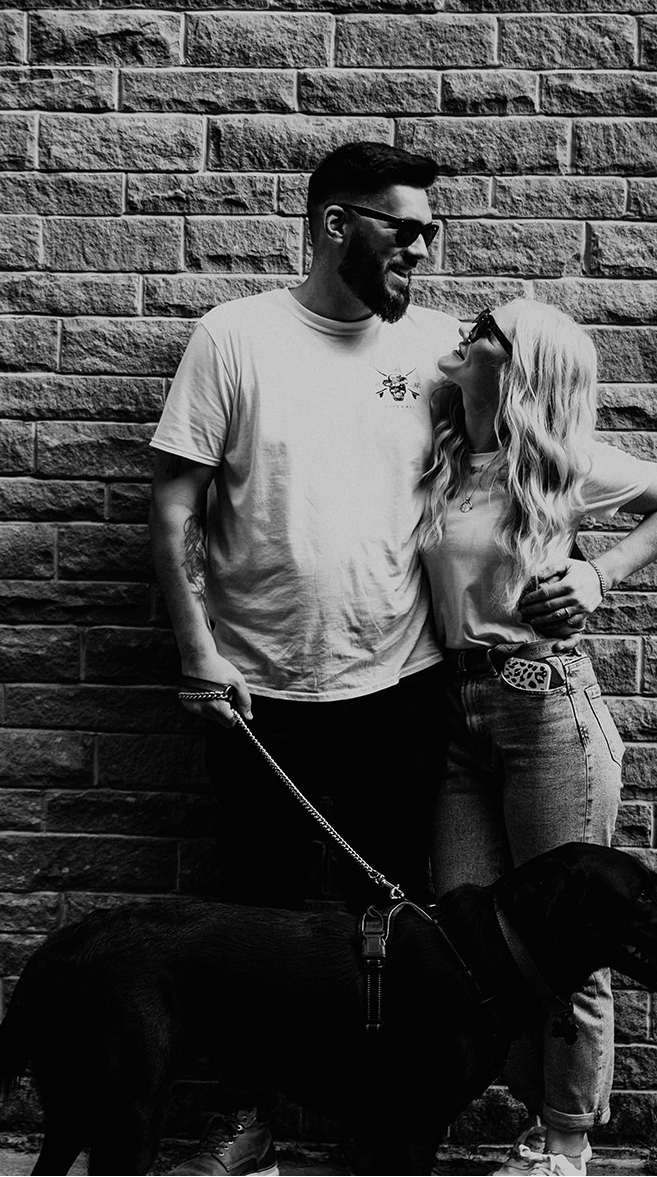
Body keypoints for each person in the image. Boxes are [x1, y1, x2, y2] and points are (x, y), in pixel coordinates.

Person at [148, 143, 574, 1176]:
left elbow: (540, 457)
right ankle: (248, 1120)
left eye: (430, 230)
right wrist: (197, 650)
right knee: (252, 920)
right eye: (403, 228)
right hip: (257, 692)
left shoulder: (441, 347)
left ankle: (376, 1128)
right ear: (337, 224)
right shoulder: (234, 337)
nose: (423, 249)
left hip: (401, 685)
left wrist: (581, 576)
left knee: (384, 925)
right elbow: (170, 509)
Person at [417, 298, 657, 1177]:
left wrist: (598, 570)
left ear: (518, 367)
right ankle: (524, 1113)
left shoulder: (557, 463)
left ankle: (565, 1145)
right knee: (468, 932)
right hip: (451, 714)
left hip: (545, 708)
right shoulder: (442, 453)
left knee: (575, 941)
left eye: (487, 328)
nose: (466, 331)